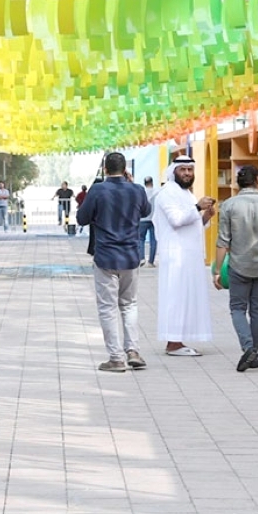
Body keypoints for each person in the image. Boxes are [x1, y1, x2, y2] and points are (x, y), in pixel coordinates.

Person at [75, 152, 151, 372]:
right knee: (129, 304)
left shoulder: (98, 190)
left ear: (105, 170)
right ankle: (133, 351)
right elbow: (146, 211)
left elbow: (81, 218)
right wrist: (131, 184)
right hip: (131, 256)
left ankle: (116, 358)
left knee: (107, 307)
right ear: (125, 169)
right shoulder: (137, 190)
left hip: (106, 256)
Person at [212, 166, 258, 372]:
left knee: (237, 308)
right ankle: (254, 354)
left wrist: (217, 270)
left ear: (238, 183)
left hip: (238, 265)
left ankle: (248, 347)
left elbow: (223, 241)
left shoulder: (229, 205)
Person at [153, 155, 215, 356]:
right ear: (174, 171)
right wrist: (198, 207)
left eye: (190, 169)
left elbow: (193, 225)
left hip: (188, 256)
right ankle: (173, 343)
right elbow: (176, 220)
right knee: (176, 298)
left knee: (186, 298)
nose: (187, 173)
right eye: (183, 170)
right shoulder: (167, 193)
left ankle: (178, 341)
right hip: (176, 256)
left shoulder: (186, 193)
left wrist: (206, 216)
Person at [138, 177, 158, 265]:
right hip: (154, 219)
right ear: (152, 183)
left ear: (144, 183)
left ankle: (142, 258)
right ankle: (151, 261)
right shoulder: (157, 192)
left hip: (142, 219)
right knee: (153, 240)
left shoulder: (141, 193)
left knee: (140, 239)